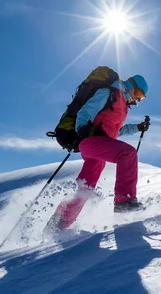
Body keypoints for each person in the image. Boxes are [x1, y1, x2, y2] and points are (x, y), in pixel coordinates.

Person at [45, 73, 150, 233]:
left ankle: (56, 225)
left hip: (99, 148)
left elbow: (116, 131)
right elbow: (85, 112)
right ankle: (124, 201)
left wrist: (137, 127)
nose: (138, 100)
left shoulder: (122, 106)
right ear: (131, 86)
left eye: (141, 98)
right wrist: (82, 127)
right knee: (128, 154)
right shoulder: (109, 93)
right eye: (139, 95)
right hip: (91, 141)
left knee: (85, 190)